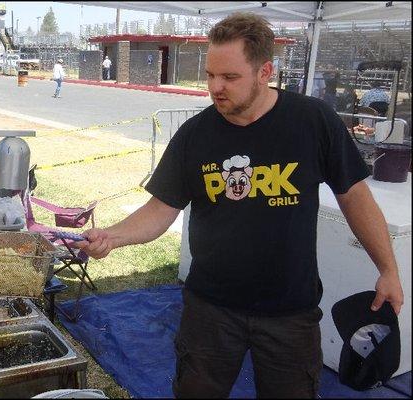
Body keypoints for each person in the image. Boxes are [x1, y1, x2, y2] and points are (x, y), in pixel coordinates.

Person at [75, 12, 404, 399]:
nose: (216, 87)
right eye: (211, 75)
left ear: (265, 71)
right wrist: (111, 237)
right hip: (210, 309)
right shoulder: (195, 134)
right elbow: (160, 210)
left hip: (290, 312)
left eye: (229, 77)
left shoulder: (313, 121)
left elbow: (356, 198)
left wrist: (388, 269)